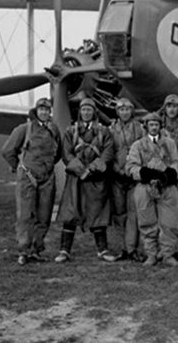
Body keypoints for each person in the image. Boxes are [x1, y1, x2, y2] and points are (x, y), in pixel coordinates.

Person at [2, 97, 62, 265]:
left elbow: (58, 152)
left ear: (50, 112)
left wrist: (47, 166)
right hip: (27, 177)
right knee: (25, 215)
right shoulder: (24, 129)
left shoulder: (54, 129)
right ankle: (23, 251)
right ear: (36, 111)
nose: (44, 112)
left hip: (47, 178)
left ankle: (36, 249)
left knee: (44, 215)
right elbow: (7, 150)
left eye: (47, 109)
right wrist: (18, 167)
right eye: (41, 109)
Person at [55, 98, 115, 263]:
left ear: (94, 112)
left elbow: (108, 152)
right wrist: (81, 170)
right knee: (71, 213)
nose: (86, 113)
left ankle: (102, 250)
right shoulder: (70, 132)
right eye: (84, 110)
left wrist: (93, 169)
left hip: (96, 179)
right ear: (80, 112)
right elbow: (66, 153)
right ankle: (64, 250)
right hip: (76, 179)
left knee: (98, 214)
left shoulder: (104, 132)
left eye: (89, 110)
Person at [126, 112, 178, 267]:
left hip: (167, 187)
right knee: (147, 221)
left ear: (160, 126)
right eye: (151, 124)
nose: (154, 127)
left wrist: (169, 174)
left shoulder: (170, 143)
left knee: (170, 222)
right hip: (145, 187)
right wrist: (145, 173)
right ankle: (151, 254)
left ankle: (168, 254)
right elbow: (131, 167)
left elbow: (177, 163)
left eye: (156, 124)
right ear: (146, 127)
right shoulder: (138, 145)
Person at [108, 98, 146, 261]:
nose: (124, 112)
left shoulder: (140, 129)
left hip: (133, 177)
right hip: (116, 176)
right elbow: (108, 151)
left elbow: (145, 150)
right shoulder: (110, 129)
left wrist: (133, 170)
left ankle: (132, 248)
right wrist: (116, 168)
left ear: (132, 111)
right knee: (118, 213)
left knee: (133, 213)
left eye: (127, 109)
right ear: (117, 112)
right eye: (121, 110)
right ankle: (120, 248)